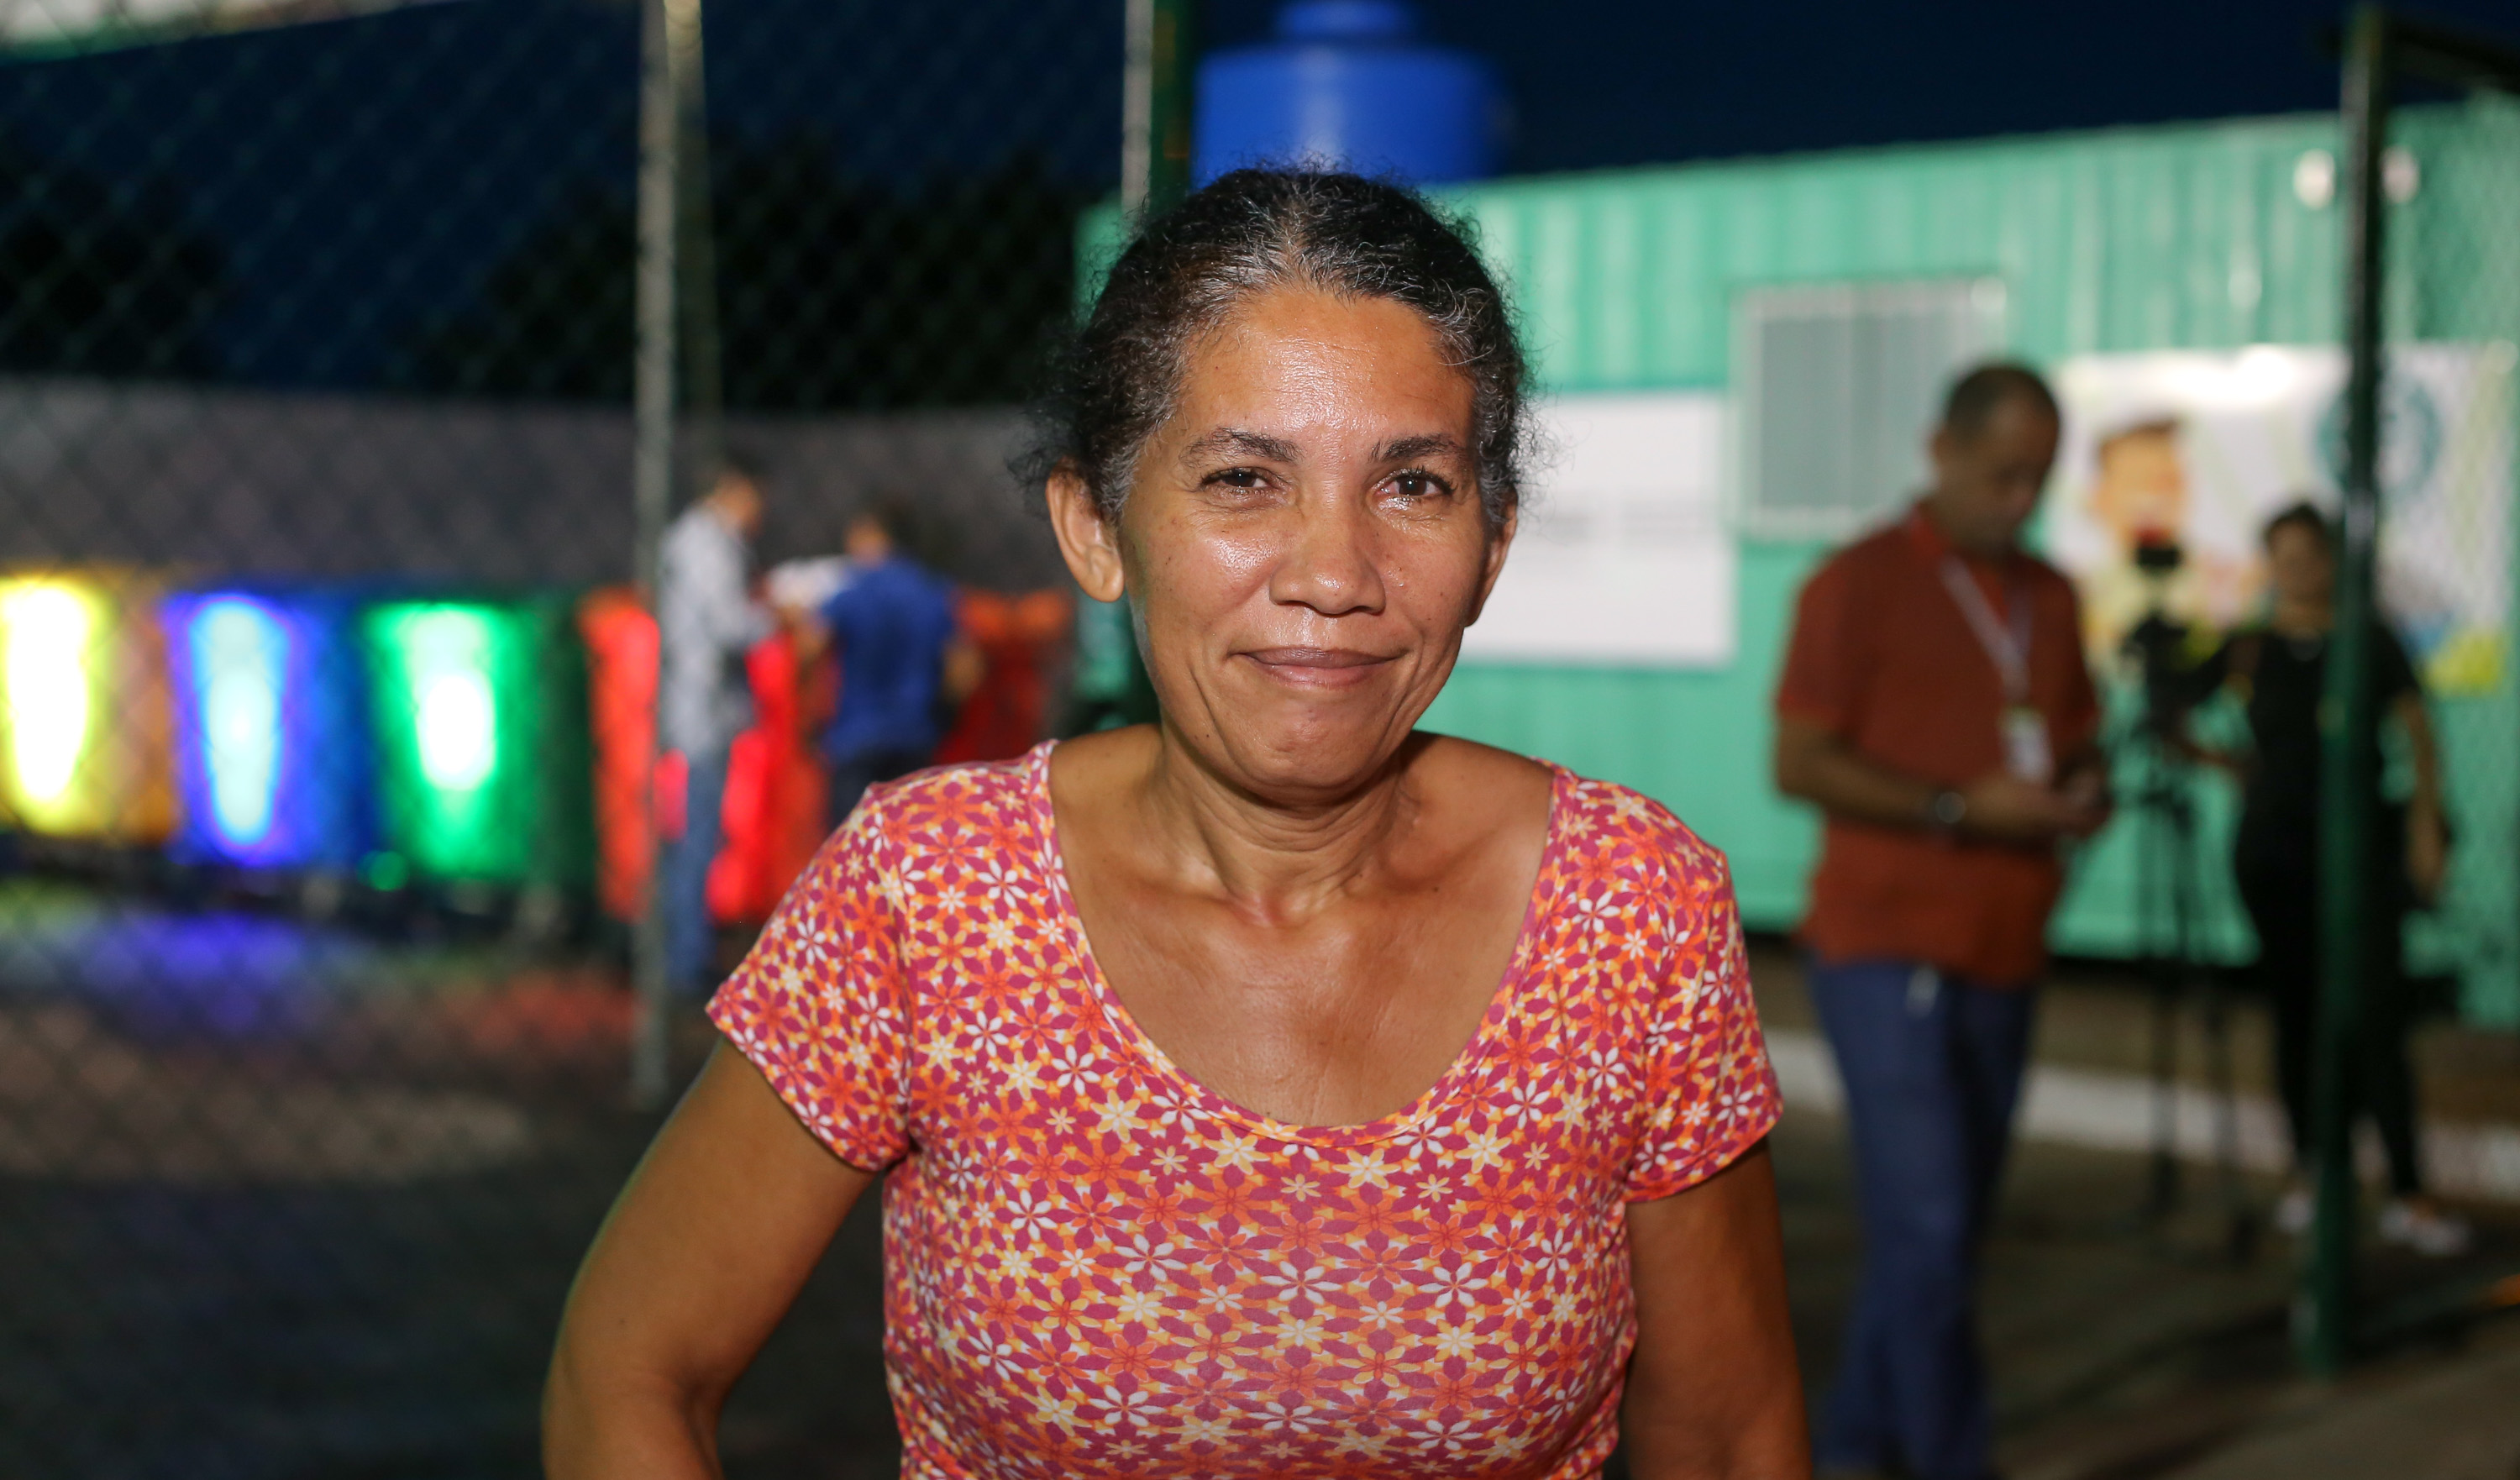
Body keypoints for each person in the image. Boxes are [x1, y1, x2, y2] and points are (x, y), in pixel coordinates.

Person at [547, 168, 1805, 1479]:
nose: (1333, 574)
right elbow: (628, 1370)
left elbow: (1727, 1434)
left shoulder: (1628, 913)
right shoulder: (933, 902)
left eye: (1415, 485)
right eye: (1245, 477)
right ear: (1096, 529)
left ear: (1491, 547)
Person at [1773, 363, 2110, 1480]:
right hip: (1884, 947)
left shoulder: (2052, 597)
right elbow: (1799, 759)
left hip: (2007, 944)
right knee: (1924, 1226)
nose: (2022, 496)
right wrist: (1960, 806)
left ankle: (1853, 1441)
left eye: (2039, 477)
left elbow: (2073, 739)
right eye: (2003, 471)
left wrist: (2081, 791)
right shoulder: (1854, 584)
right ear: (1941, 449)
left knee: (1946, 1237)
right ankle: (1949, 1457)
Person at [2188, 501, 2467, 1257]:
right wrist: (2232, 769)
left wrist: (2423, 832)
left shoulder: (2370, 641)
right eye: (2283, 557)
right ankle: (2313, 1173)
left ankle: (2408, 1189)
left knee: (2376, 1018)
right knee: (2296, 1013)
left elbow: (2420, 734)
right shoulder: (2249, 646)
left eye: (2310, 555)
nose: (2299, 571)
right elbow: (2169, 712)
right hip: (2274, 858)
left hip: (2360, 855)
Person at [655, 459, 774, 995]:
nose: (759, 513)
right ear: (734, 488)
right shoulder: (709, 544)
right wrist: (778, 616)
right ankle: (685, 960)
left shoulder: (689, 540)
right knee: (698, 834)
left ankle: (684, 952)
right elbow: (730, 624)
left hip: (692, 705)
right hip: (702, 709)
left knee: (694, 833)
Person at [809, 501, 977, 823]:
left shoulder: (852, 590)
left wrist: (809, 711)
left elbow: (811, 645)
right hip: (914, 737)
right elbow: (965, 670)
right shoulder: (934, 590)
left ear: (875, 535)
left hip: (854, 737)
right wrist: (945, 715)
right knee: (907, 845)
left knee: (848, 851)